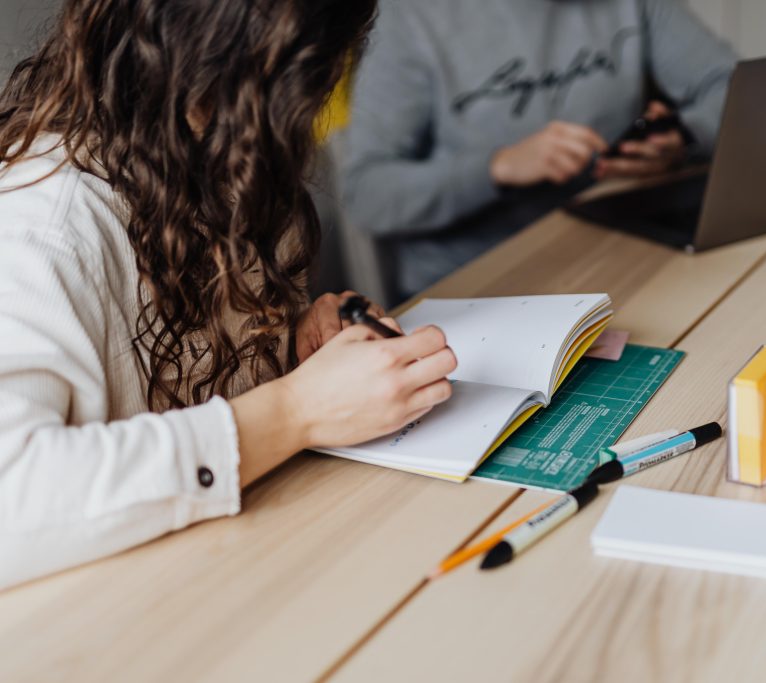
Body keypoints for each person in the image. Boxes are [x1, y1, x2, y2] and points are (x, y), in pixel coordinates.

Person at [0, 0, 458, 590]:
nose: (314, 107)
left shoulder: (226, 160)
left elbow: (185, 384)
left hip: (239, 562)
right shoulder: (43, 226)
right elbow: (15, 501)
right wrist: (295, 410)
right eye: (309, 78)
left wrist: (290, 349)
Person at [341, 0, 737, 298]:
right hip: (479, 288)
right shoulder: (410, 17)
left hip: (622, 246)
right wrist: (497, 168)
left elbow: (732, 86)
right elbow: (367, 194)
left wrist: (686, 136)